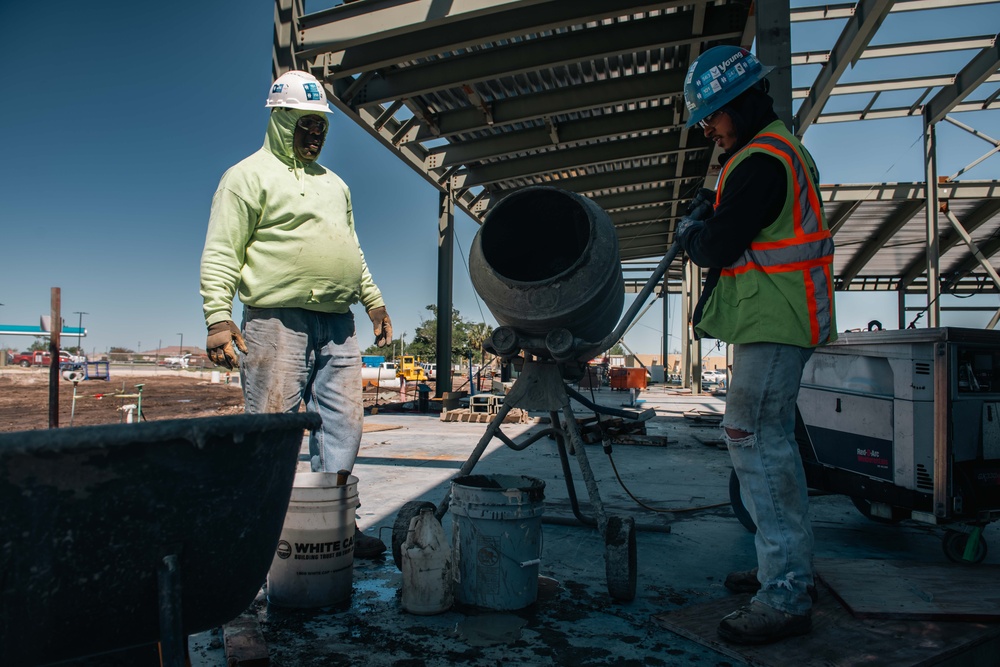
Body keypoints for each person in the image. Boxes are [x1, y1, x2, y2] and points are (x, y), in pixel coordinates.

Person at [674, 46, 837, 645]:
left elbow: (718, 248)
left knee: (757, 443)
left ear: (738, 105)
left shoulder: (763, 159)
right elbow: (740, 224)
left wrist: (695, 230)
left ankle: (787, 593)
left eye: (713, 116)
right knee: (767, 444)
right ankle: (782, 570)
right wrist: (709, 210)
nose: (711, 130)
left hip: (778, 319)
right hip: (774, 319)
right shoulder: (768, 154)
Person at [199, 70, 393, 559]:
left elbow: (352, 249)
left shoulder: (336, 186)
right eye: (305, 124)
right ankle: (261, 538)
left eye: (321, 126)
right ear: (280, 119)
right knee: (271, 430)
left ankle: (336, 524)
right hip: (276, 321)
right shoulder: (245, 177)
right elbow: (223, 250)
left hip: (338, 322)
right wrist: (218, 317)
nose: (315, 134)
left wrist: (373, 299)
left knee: (343, 425)